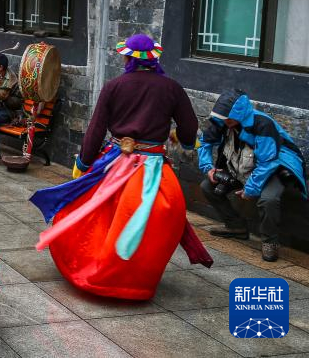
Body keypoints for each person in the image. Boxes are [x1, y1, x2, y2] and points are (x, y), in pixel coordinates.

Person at [29, 34, 211, 300]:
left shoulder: (114, 86)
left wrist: (84, 162)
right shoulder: (172, 88)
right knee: (152, 225)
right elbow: (189, 127)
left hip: (115, 164)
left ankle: (98, 271)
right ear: (153, 59)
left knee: (96, 217)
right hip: (154, 168)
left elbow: (96, 128)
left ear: (128, 59)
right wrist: (183, 139)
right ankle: (136, 281)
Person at [197, 89, 307, 262]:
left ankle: (270, 241)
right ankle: (236, 227)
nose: (226, 121)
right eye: (224, 117)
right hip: (240, 165)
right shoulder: (222, 123)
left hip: (274, 168)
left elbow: (268, 161)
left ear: (239, 113)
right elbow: (205, 143)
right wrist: (208, 167)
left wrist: (250, 188)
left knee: (268, 199)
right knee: (207, 187)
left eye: (229, 117)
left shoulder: (263, 125)